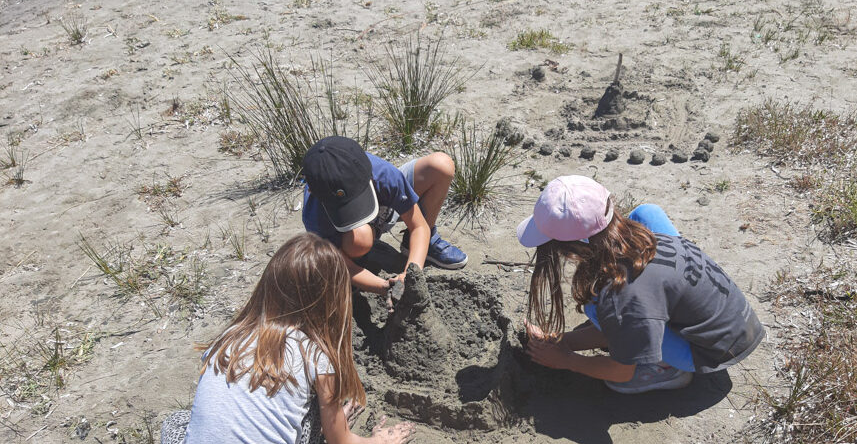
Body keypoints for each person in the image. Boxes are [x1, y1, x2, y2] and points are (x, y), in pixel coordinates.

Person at [160, 233, 416, 444]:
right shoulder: (315, 355)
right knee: (310, 405)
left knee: (175, 422)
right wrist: (379, 443)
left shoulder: (229, 337)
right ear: (332, 300)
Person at [518, 175, 765, 394]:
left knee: (600, 308)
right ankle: (641, 326)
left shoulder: (622, 294)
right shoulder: (637, 233)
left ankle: (667, 369)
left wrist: (567, 359)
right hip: (737, 320)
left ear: (574, 249)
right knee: (646, 213)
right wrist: (563, 341)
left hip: (714, 350)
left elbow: (620, 372)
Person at [301, 136, 467, 297]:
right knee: (359, 240)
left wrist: (412, 273)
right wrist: (383, 287)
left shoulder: (383, 174)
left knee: (441, 165)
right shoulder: (314, 214)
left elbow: (418, 226)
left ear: (368, 171)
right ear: (313, 193)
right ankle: (358, 265)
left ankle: (421, 245)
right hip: (353, 237)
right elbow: (341, 263)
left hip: (385, 207)